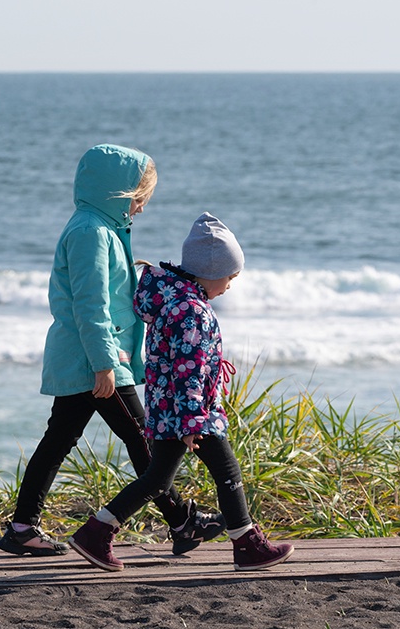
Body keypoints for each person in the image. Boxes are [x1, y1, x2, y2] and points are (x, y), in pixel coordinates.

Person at [0, 145, 226, 558]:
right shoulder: (90, 233)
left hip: (92, 355)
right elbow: (90, 303)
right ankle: (178, 521)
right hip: (97, 359)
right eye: (139, 199)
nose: (141, 209)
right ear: (117, 193)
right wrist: (104, 362)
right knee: (143, 436)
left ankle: (22, 526)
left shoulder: (100, 227)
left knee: (61, 438)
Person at [67, 213, 294, 572]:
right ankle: (246, 543)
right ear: (211, 272)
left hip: (168, 408)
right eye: (230, 277)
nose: (230, 286)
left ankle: (96, 531)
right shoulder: (192, 312)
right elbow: (188, 370)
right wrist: (191, 421)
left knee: (157, 479)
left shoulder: (172, 301)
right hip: (189, 412)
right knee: (226, 469)